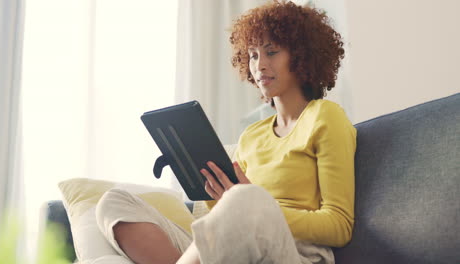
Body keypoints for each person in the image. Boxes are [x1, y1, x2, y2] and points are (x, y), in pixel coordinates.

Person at [95, 1, 356, 264]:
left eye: (271, 52)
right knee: (114, 202)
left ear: (302, 56)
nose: (260, 65)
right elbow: (228, 217)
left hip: (295, 253)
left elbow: (339, 225)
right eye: (253, 55)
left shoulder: (325, 116)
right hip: (237, 245)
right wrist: (218, 194)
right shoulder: (251, 136)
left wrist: (255, 206)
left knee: (246, 198)